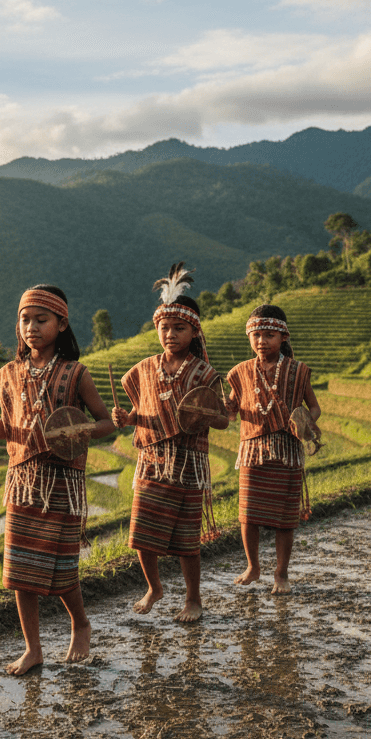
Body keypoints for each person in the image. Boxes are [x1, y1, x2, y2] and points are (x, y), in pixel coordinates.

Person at [0, 286, 114, 675]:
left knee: (61, 569)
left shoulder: (75, 373)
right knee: (20, 573)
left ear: (62, 324)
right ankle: (33, 649)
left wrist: (74, 431)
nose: (31, 327)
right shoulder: (9, 375)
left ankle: (79, 624)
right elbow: (8, 428)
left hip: (61, 482)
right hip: (23, 481)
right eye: (24, 320)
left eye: (41, 320)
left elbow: (106, 420)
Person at [112, 264, 228, 622]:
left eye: (179, 328)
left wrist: (201, 415)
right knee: (141, 535)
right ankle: (154, 587)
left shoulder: (205, 374)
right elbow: (138, 411)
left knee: (186, 540)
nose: (170, 334)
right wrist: (126, 419)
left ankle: (193, 598)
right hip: (151, 461)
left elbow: (223, 419)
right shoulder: (144, 369)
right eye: (164, 327)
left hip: (188, 464)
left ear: (195, 332)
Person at [225, 304, 321, 595]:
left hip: (287, 451)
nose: (261, 341)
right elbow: (231, 413)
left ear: (284, 337)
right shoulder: (240, 372)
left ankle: (281, 573)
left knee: (284, 518)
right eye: (256, 335)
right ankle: (253, 567)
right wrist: (228, 407)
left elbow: (314, 407)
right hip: (252, 451)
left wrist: (306, 421)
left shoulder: (299, 371)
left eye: (269, 335)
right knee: (247, 514)